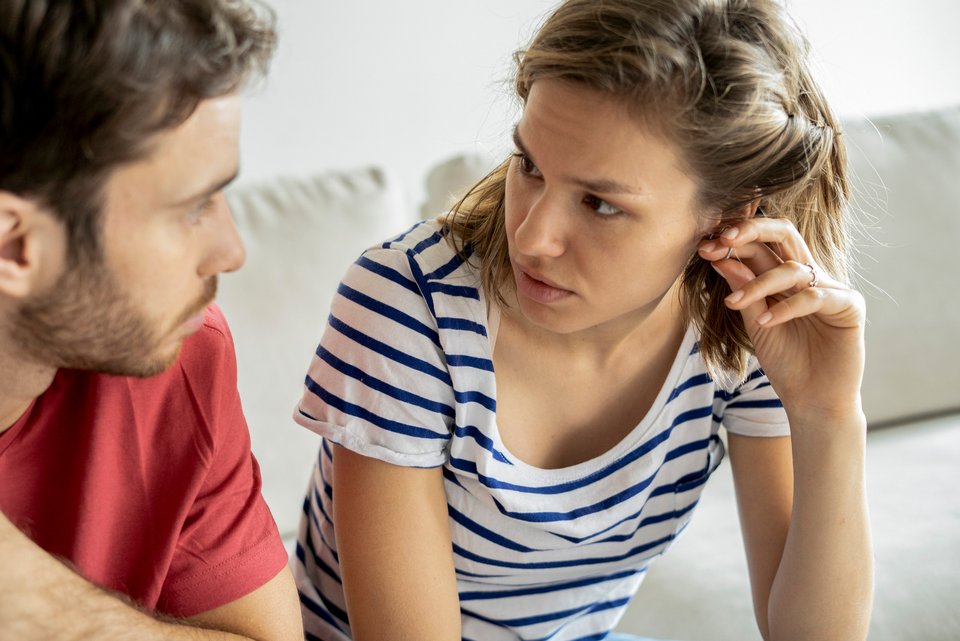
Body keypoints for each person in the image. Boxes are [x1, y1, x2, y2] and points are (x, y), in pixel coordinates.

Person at [292, 0, 873, 639]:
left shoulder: (748, 328)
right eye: (530, 166)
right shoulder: (406, 308)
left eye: (599, 204)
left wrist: (828, 412)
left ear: (729, 216)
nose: (533, 236)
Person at [0, 1, 303, 639]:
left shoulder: (179, 355)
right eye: (193, 207)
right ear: (13, 247)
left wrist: (33, 597)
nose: (233, 251)